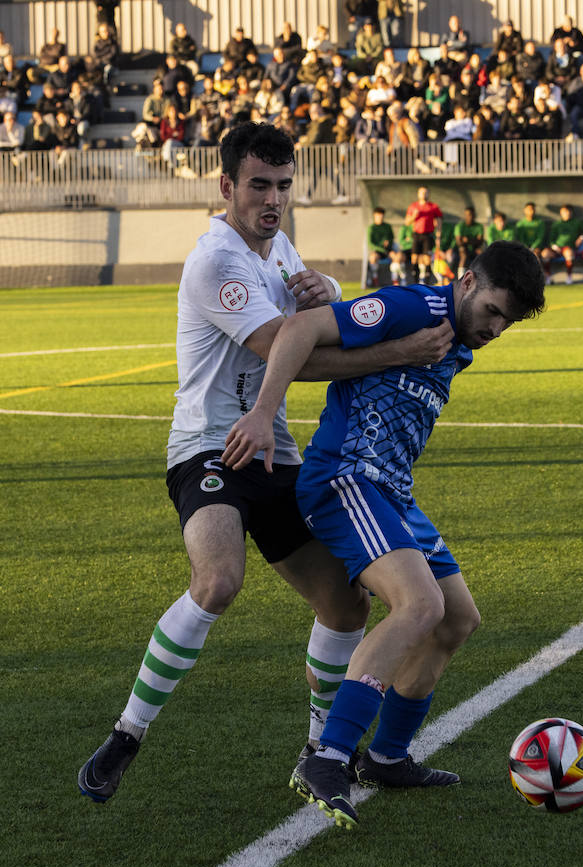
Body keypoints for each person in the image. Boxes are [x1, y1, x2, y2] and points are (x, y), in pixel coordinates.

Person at [76, 123, 454, 804]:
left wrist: (325, 289)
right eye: (258, 185)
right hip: (210, 448)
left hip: (275, 453)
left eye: (283, 185)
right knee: (219, 580)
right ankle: (127, 733)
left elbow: (313, 310)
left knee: (346, 602)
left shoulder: (279, 248)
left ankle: (318, 748)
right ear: (226, 186)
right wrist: (399, 351)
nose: (273, 198)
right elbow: (296, 353)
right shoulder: (216, 261)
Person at [220, 240, 547, 828]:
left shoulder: (455, 343)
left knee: (456, 618)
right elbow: (299, 331)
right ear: (466, 281)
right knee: (416, 605)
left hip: (391, 491)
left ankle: (386, 758)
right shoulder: (414, 308)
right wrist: (264, 413)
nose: (497, 329)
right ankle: (327, 757)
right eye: (494, 311)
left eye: (510, 322)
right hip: (344, 479)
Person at [405, 186, 442, 284]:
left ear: (428, 194)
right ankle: (415, 281)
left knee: (427, 258)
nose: (423, 194)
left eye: (425, 192)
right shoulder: (413, 206)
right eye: (421, 192)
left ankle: (426, 281)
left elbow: (438, 220)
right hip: (417, 235)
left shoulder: (433, 206)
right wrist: (414, 216)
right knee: (414, 258)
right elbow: (407, 222)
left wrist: (438, 235)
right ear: (418, 194)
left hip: (428, 235)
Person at [543, 204, 583, 284]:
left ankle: (569, 277)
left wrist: (581, 238)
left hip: (568, 248)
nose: (567, 213)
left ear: (572, 212)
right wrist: (555, 246)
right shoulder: (557, 224)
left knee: (569, 253)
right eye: (564, 212)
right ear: (561, 213)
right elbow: (551, 239)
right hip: (556, 248)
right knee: (545, 254)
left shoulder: (577, 223)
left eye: (569, 211)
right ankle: (548, 277)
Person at [452, 206, 484, 274]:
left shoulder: (479, 226)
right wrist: (473, 240)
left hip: (474, 248)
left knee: (482, 254)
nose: (470, 217)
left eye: (472, 215)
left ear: (474, 215)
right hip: (460, 248)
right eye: (468, 215)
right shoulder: (460, 226)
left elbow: (480, 241)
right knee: (463, 255)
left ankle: (480, 276)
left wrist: (467, 240)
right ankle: (460, 278)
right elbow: (459, 242)